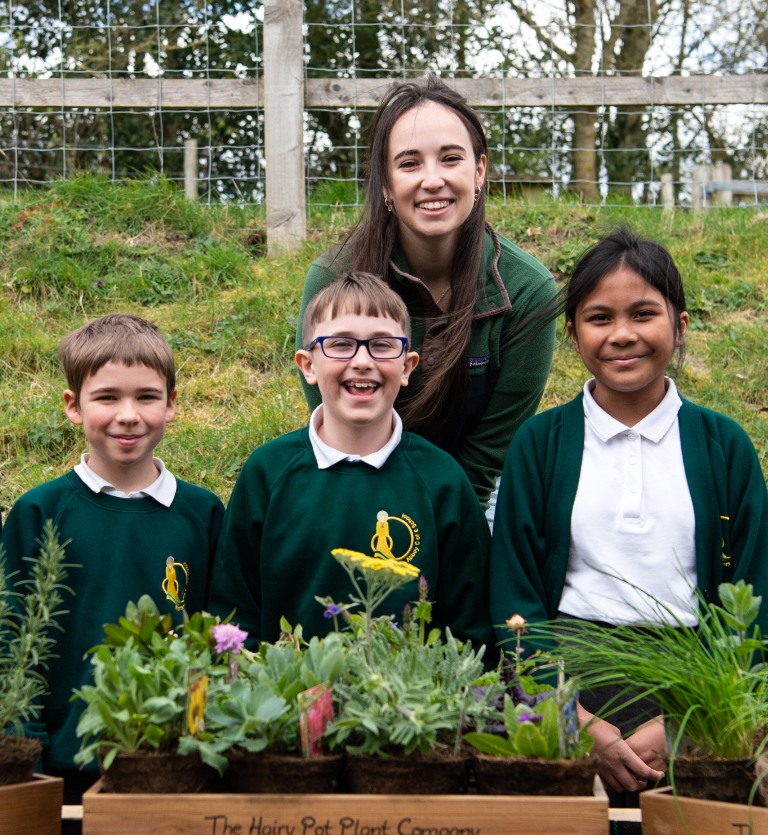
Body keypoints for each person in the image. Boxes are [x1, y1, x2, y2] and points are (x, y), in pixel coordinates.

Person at [489, 227, 768, 801]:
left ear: (680, 325)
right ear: (572, 334)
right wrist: (572, 719)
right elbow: (515, 591)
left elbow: (755, 592)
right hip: (570, 685)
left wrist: (688, 724)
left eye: (643, 314)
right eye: (598, 318)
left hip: (696, 689)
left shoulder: (725, 447)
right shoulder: (540, 444)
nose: (622, 335)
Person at [296, 77, 557, 515]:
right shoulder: (330, 280)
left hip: (470, 498)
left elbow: (488, 458)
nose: (432, 180)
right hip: (354, 483)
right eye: (409, 163)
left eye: (451, 158)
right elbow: (334, 426)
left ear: (478, 172)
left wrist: (444, 532)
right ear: (385, 185)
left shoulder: (529, 291)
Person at [1, 313, 224, 808]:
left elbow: (217, 638)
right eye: (107, 397)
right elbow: (14, 647)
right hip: (62, 772)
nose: (129, 414)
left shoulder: (203, 514)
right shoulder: (39, 513)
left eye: (146, 396)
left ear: (171, 405)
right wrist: (26, 760)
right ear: (73, 406)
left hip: (174, 765)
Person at [210, 273, 496, 654]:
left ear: (408, 366)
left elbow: (471, 631)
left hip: (408, 706)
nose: (362, 361)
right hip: (288, 700)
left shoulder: (442, 481)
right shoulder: (267, 473)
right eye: (341, 344)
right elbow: (234, 614)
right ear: (307, 365)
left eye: (382, 345)